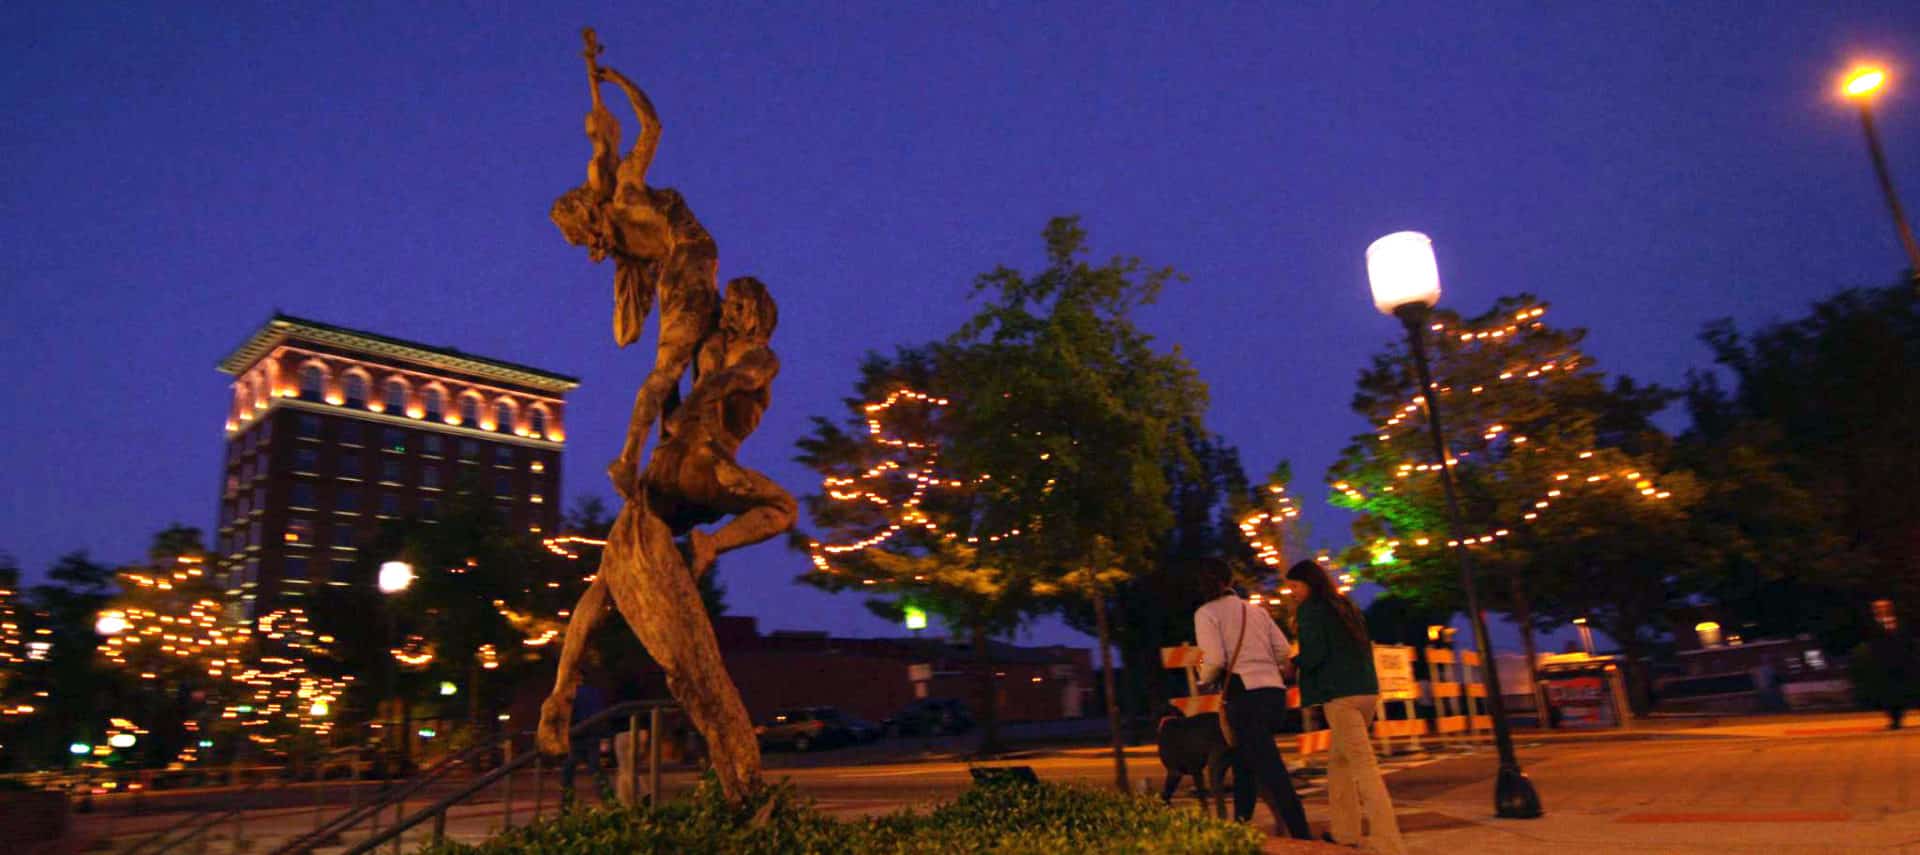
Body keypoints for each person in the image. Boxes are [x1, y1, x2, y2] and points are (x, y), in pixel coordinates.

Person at [1287, 559, 1406, 855]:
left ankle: (1388, 841)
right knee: (1338, 764)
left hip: (1339, 695)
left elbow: (1314, 654)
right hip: (1365, 691)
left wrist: (1292, 664)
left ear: (1310, 584)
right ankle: (1345, 832)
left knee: (1364, 767)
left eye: (1295, 586)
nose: (1293, 593)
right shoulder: (1346, 606)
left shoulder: (1311, 609)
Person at [1192, 557, 1312, 839]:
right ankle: (1240, 830)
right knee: (1245, 764)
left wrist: (1203, 679)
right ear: (1231, 581)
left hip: (1244, 697)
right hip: (1274, 695)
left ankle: (1302, 833)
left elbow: (1216, 660)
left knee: (1270, 769)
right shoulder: (1255, 611)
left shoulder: (1206, 613)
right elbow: (1283, 651)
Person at [560, 677, 612, 807]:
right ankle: (608, 798)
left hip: (578, 734)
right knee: (595, 767)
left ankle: (567, 801)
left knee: (569, 768)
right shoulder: (593, 692)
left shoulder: (571, 693)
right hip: (592, 732)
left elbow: (568, 712)